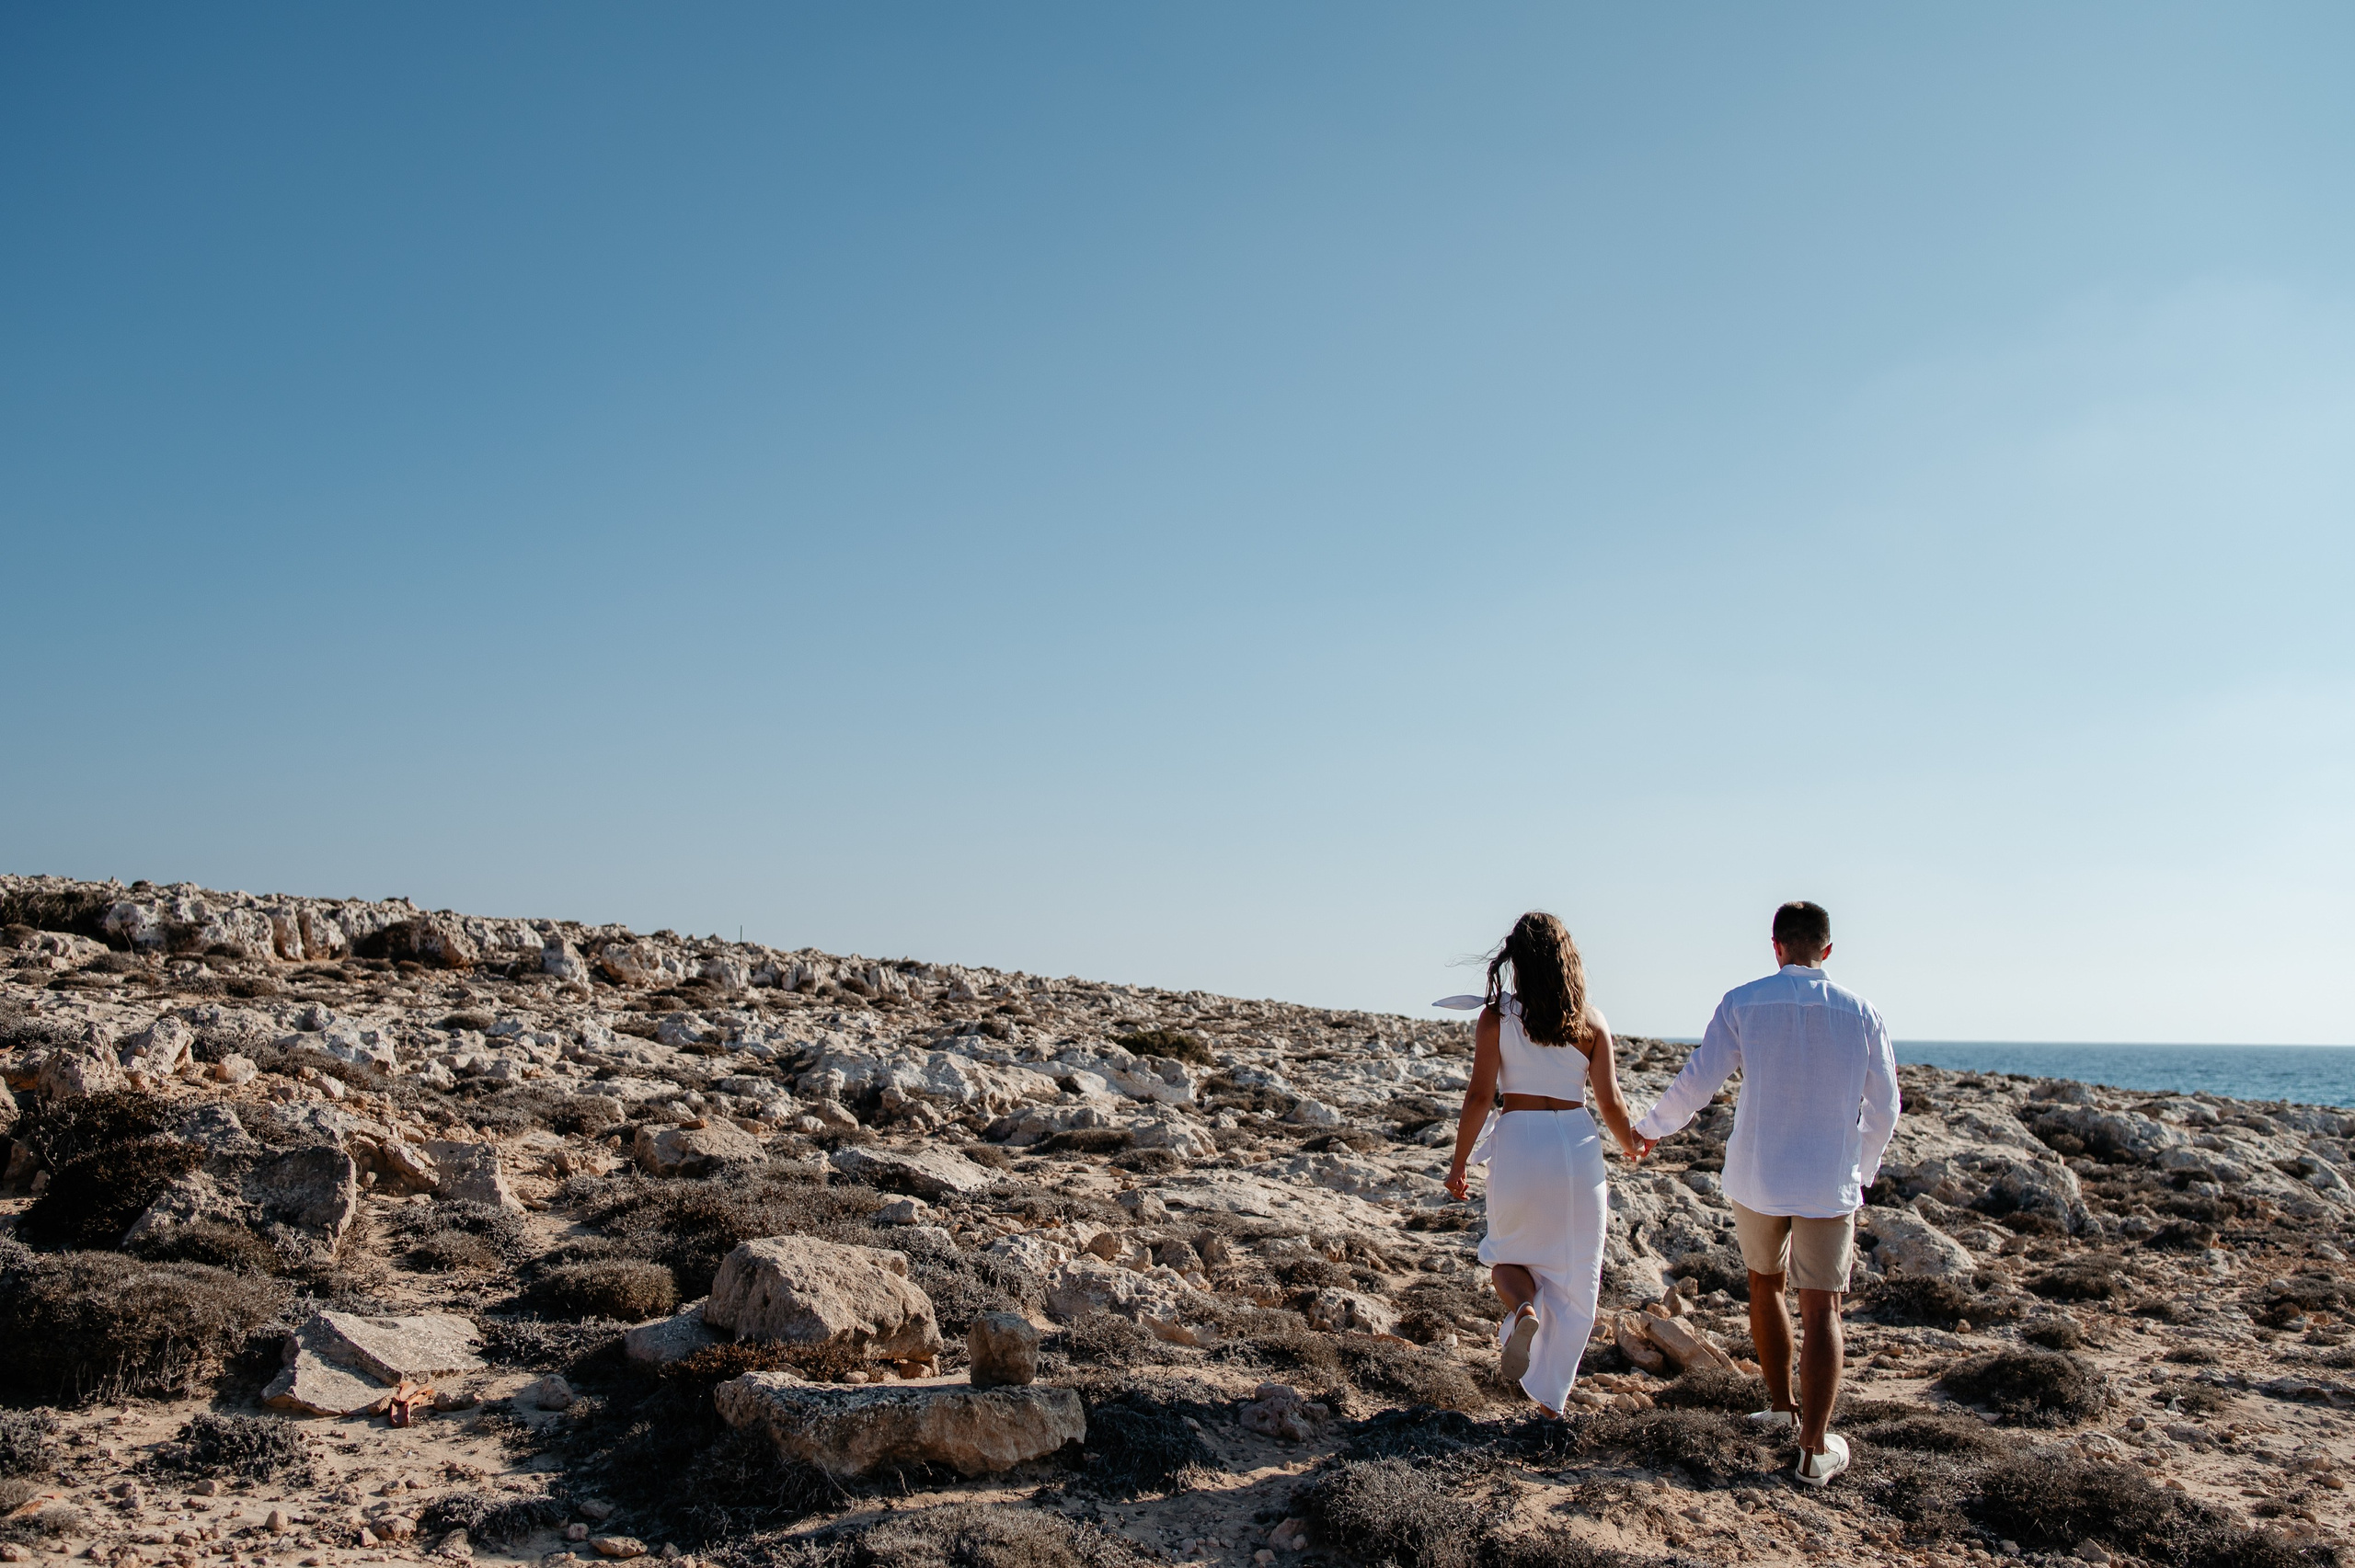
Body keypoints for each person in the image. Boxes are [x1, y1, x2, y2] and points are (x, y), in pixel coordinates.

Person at [1629, 900, 1900, 1486]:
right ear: (1827, 950)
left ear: (1775, 946)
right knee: (1822, 1306)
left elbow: (1698, 1079)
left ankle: (1781, 1406)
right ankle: (1811, 1447)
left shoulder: (1743, 1002)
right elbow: (1886, 1105)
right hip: (1828, 1180)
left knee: (1764, 1284)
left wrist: (1647, 1129)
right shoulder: (1861, 1012)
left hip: (1758, 1173)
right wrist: (1864, 1166)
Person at [1441, 911, 1643, 1416]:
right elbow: (1611, 1101)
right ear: (1567, 962)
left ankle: (1524, 1309)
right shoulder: (1591, 1022)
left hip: (1519, 1144)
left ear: (1518, 963)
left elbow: (1479, 1097)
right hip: (1576, 1149)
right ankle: (1552, 1403)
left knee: (1508, 1257)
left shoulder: (1496, 1018)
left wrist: (1459, 1162)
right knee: (1577, 1280)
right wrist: (1633, 1142)